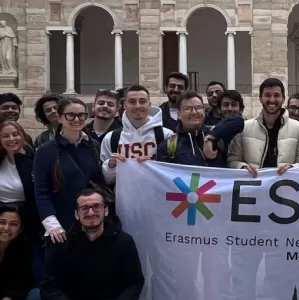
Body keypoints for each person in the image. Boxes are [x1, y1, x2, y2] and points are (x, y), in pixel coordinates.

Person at [227, 78, 299, 300]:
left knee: (278, 270)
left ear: (283, 98)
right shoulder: (244, 128)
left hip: (283, 211)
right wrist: (244, 166)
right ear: (260, 97)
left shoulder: (298, 128)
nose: (272, 100)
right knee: (243, 268)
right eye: (267, 95)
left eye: (276, 96)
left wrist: (294, 167)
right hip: (249, 209)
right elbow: (232, 160)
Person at [41, 189, 144, 300]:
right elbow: (50, 287)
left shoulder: (125, 242)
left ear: (106, 211)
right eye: (84, 208)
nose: (91, 212)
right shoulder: (61, 244)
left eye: (96, 206)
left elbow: (134, 284)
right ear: (76, 214)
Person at [34, 97, 106, 245]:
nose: (76, 119)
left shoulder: (94, 146)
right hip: (61, 227)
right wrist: (52, 226)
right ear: (60, 118)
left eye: (81, 115)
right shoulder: (45, 150)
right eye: (70, 115)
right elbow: (41, 192)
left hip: (92, 224)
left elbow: (99, 183)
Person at [0, 120, 44, 291]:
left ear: (22, 136)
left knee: (31, 265)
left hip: (28, 221)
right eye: (5, 136)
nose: (11, 139)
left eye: (15, 134)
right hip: (2, 219)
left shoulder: (32, 159)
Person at [100, 84, 174, 185]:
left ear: (149, 104)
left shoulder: (167, 135)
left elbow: (174, 172)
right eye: (132, 102)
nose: (138, 106)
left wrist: (156, 165)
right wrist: (111, 166)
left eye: (142, 101)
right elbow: (105, 180)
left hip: (158, 197)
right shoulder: (111, 137)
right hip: (123, 199)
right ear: (125, 105)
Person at [156, 90, 244, 167]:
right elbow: (164, 179)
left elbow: (238, 120)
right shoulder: (168, 146)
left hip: (218, 186)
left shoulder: (218, 135)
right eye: (187, 108)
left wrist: (210, 137)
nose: (194, 112)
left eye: (198, 108)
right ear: (178, 114)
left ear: (204, 111)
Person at [0, 205, 34, 300]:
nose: (6, 228)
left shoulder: (23, 250)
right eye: (2, 222)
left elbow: (23, 282)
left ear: (20, 229)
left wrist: (9, 297)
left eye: (14, 224)